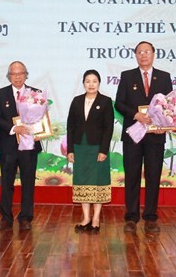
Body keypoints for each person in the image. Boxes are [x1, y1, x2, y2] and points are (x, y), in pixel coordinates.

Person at [115, 41, 173, 233]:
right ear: (135, 55)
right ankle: (131, 216)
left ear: (154, 54)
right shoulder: (127, 76)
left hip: (155, 136)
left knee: (153, 175)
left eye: (147, 51)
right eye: (140, 52)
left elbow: (169, 106)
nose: (144, 55)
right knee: (131, 175)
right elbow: (119, 104)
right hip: (133, 134)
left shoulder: (164, 77)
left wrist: (163, 124)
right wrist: (136, 114)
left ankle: (150, 216)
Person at [0, 61, 42, 231]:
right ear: (9, 76)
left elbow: (42, 119)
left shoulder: (35, 93)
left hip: (29, 145)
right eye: (14, 74)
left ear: (26, 74)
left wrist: (37, 132)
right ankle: (6, 218)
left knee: (28, 182)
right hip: (8, 145)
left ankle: (26, 217)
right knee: (7, 182)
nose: (18, 76)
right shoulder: (1, 94)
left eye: (21, 73)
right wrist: (14, 128)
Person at [66, 69, 114, 234]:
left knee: (97, 181)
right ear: (84, 83)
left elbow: (109, 128)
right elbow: (70, 126)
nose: (91, 84)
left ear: (99, 83)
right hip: (80, 147)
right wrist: (70, 149)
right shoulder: (77, 101)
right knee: (82, 181)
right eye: (88, 81)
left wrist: (103, 150)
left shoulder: (106, 101)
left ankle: (96, 219)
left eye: (94, 81)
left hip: (97, 148)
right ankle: (86, 217)